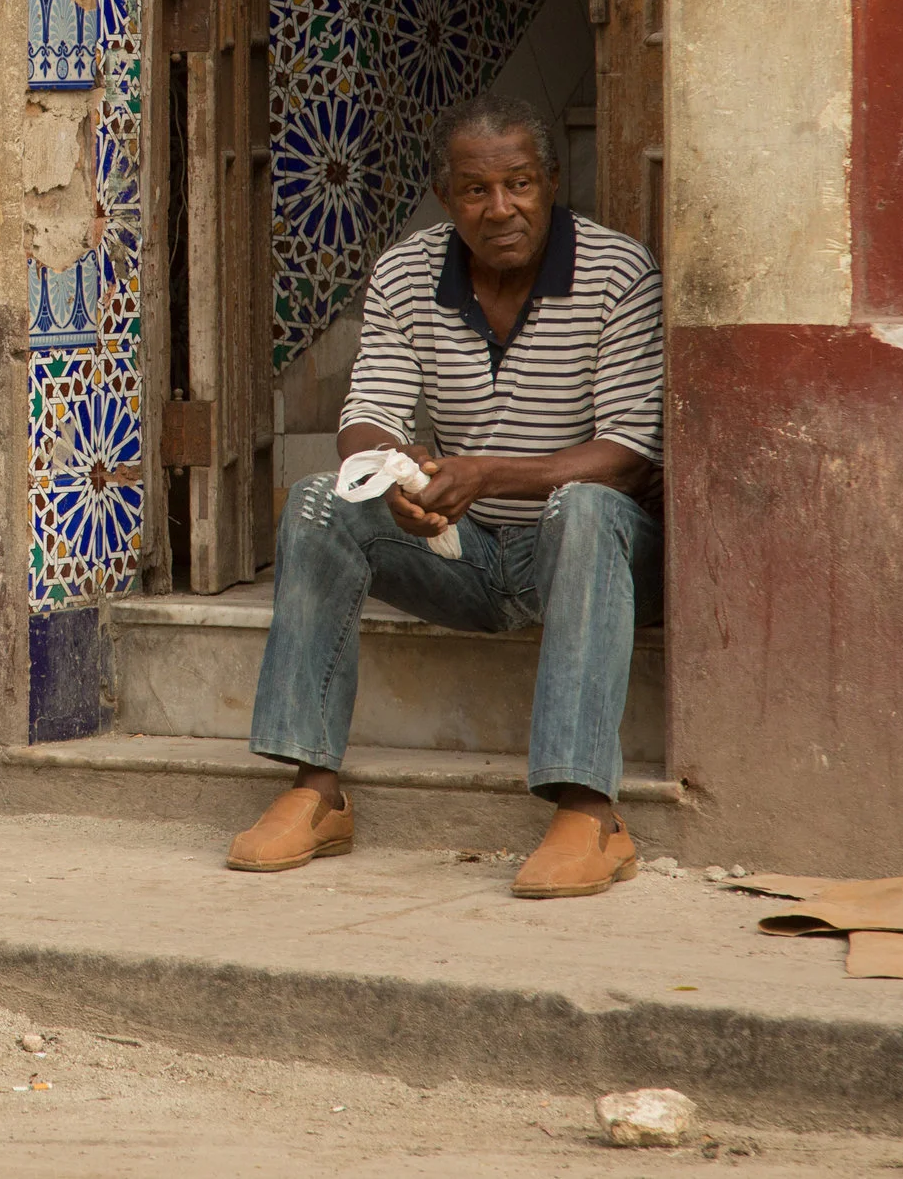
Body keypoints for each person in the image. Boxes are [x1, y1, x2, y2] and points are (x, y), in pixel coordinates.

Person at [228, 92, 664, 897]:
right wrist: (398, 475)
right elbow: (368, 416)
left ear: (552, 182)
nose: (502, 209)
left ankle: (590, 809)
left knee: (586, 504)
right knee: (324, 500)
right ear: (446, 198)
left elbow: (633, 454)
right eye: (476, 190)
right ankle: (314, 789)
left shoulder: (617, 270)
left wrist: (485, 471)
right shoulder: (406, 271)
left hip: (587, 550)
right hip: (470, 551)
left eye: (522, 184)